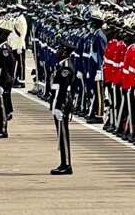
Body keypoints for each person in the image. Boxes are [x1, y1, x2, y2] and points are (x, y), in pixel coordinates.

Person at [50, 42, 77, 175]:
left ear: (65, 52)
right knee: (61, 134)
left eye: (60, 50)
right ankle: (63, 162)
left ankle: (66, 164)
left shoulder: (66, 67)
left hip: (63, 102)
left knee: (64, 134)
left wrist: (59, 106)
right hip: (59, 101)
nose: (57, 52)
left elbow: (64, 89)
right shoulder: (62, 66)